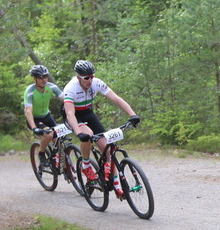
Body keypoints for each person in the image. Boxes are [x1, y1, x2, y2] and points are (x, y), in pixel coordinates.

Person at [63, 60, 140, 197]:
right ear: (78, 77)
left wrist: (132, 114)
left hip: (88, 112)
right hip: (74, 116)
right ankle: (85, 165)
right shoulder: (71, 88)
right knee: (88, 134)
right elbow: (70, 113)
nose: (90, 80)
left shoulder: (97, 83)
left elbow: (116, 99)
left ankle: (116, 186)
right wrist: (79, 132)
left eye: (92, 76)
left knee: (107, 148)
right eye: (86, 77)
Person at [23, 64, 64, 170]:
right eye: (41, 78)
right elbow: (28, 111)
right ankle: (41, 154)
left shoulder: (51, 87)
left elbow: (65, 99)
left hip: (46, 116)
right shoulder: (30, 91)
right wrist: (33, 128)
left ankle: (60, 162)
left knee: (58, 138)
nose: (44, 80)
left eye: (45, 77)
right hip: (34, 119)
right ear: (35, 79)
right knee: (49, 135)